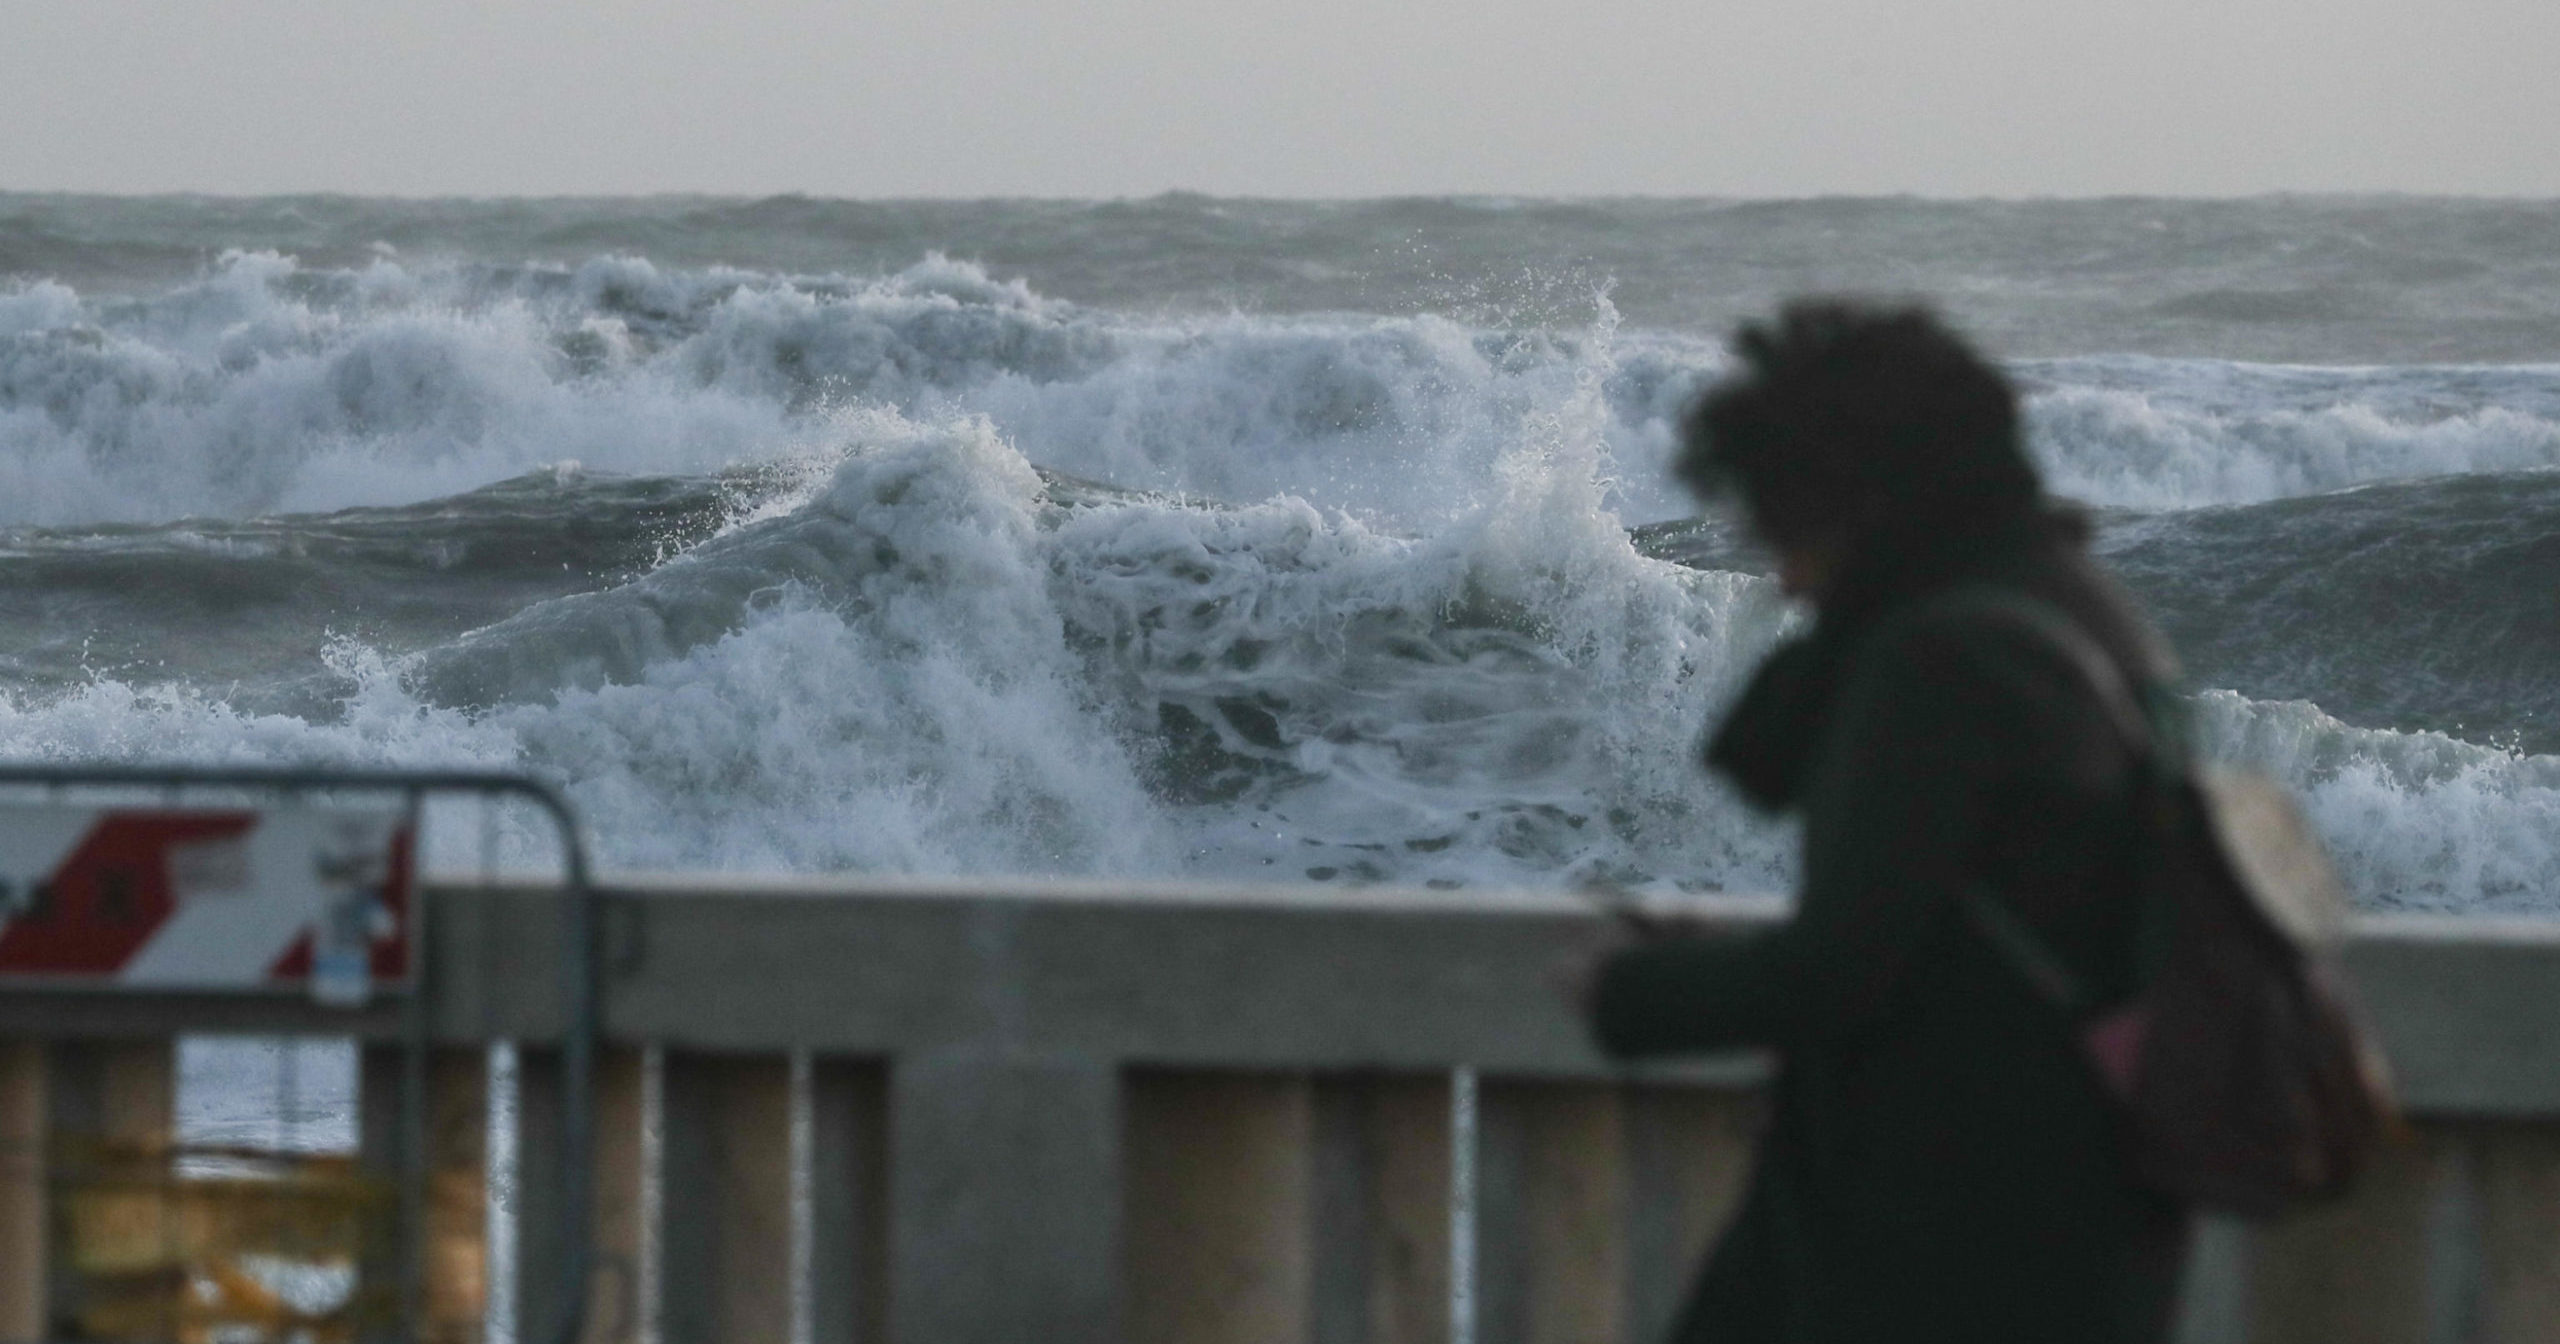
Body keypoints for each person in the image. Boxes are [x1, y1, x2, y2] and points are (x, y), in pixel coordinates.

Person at [1583, 302, 2193, 1342]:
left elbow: (1840, 969)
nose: (1782, 574)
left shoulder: (1938, 660)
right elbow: (1973, 923)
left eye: (1789, 526)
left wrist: (1628, 994)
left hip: (1930, 1220)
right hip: (2086, 1204)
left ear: (1859, 503)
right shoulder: (2094, 614)